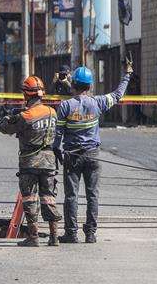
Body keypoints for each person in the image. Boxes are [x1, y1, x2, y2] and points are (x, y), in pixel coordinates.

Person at [53, 62, 132, 244]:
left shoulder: (65, 106)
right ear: (90, 86)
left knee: (71, 195)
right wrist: (127, 75)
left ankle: (71, 234)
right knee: (92, 195)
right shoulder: (98, 102)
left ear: (73, 85)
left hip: (72, 156)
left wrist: (57, 151)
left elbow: (58, 136)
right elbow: (118, 94)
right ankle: (90, 234)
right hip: (93, 155)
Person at [0, 76, 62, 247]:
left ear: (26, 95)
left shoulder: (26, 116)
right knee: (49, 197)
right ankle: (54, 237)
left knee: (30, 199)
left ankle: (33, 237)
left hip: (30, 162)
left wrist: (7, 118)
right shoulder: (52, 112)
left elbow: (4, 128)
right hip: (49, 161)